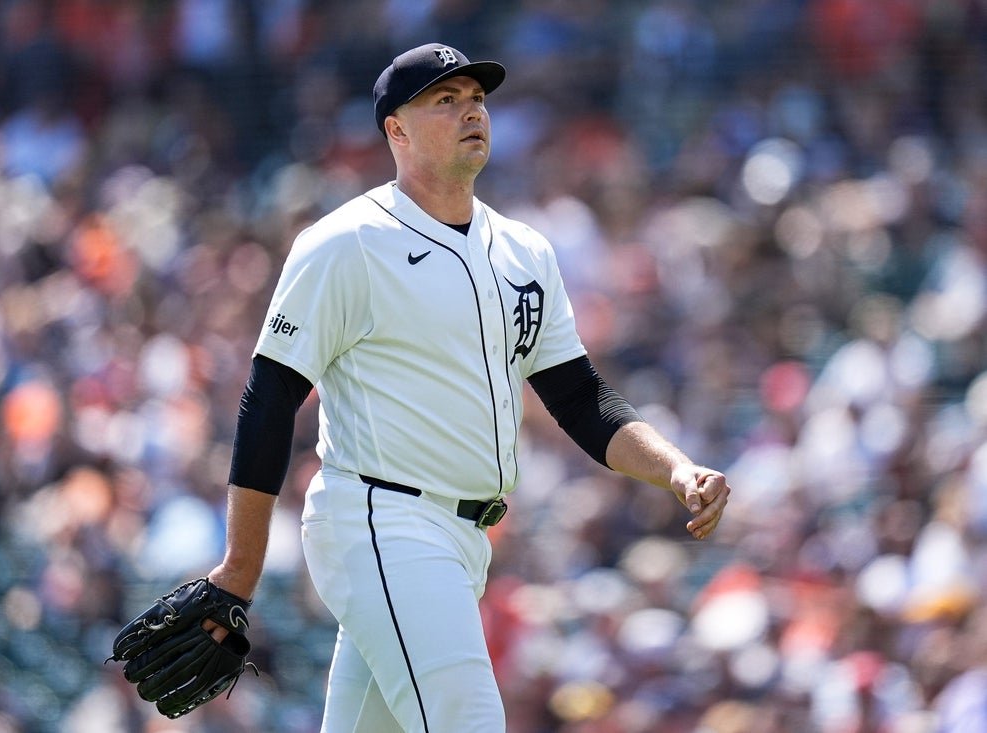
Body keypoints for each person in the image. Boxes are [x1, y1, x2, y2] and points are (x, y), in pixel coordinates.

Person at [205, 43, 731, 732]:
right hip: (382, 521)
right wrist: (240, 568)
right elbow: (269, 398)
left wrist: (676, 469)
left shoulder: (524, 250)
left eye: (477, 98)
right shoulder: (347, 242)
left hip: (463, 540)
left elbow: (583, 401)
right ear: (396, 129)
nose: (472, 111)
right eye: (445, 101)